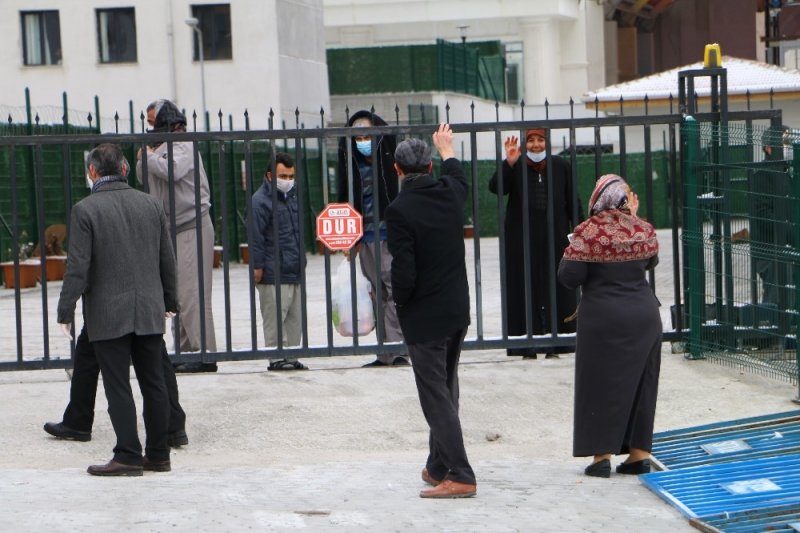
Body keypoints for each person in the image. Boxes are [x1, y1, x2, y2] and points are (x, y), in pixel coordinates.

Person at [57, 143, 177, 476]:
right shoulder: (151, 205)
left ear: (92, 172)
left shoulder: (86, 210)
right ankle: (158, 454)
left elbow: (78, 266)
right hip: (149, 309)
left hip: (108, 313)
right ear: (125, 169)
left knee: (117, 384)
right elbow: (166, 258)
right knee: (154, 383)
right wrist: (170, 300)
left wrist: (66, 309)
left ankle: (127, 453)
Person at [385, 124, 477, 498]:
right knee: (447, 386)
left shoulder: (399, 210)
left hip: (425, 316)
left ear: (397, 170)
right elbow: (458, 176)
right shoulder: (450, 194)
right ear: (430, 167)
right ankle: (439, 464)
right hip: (456, 310)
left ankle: (461, 472)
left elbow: (403, 272)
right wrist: (448, 149)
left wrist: (401, 304)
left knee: (434, 394)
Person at [557, 174, 661, 478]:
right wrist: (634, 218)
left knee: (600, 385)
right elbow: (650, 262)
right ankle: (638, 455)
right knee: (643, 384)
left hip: (603, 319)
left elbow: (569, 277)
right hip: (644, 317)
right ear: (624, 199)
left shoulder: (587, 231)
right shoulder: (642, 228)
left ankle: (601, 456)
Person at [137, 99, 217, 373]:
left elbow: (171, 171)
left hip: (192, 225)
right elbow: (142, 176)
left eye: (152, 122)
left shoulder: (185, 145)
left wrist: (148, 156)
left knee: (192, 293)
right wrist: (146, 157)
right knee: (175, 295)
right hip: (169, 230)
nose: (149, 127)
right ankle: (184, 352)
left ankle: (204, 353)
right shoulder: (158, 149)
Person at [489, 128, 582, 359]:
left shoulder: (560, 166)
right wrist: (508, 163)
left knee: (557, 286)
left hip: (556, 239)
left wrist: (578, 232)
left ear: (547, 142)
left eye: (540, 140)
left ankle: (557, 342)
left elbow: (572, 200)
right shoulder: (517, 165)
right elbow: (496, 188)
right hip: (522, 241)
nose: (536, 145)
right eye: (531, 141)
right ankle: (526, 344)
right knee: (525, 288)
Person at [337, 110, 409, 367]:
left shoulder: (391, 162)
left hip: (389, 235)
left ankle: (398, 349)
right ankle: (384, 352)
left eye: (368, 134)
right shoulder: (351, 163)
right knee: (377, 293)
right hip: (365, 238)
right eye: (357, 137)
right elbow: (345, 198)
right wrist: (348, 239)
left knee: (393, 290)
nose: (363, 140)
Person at [43, 324, 189, 448]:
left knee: (90, 345)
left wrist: (65, 308)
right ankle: (172, 424)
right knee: (154, 351)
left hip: (108, 301)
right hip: (145, 298)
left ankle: (78, 421)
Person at [249, 152, 308, 370]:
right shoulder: (259, 201)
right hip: (273, 270)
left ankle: (291, 356)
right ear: (270, 176)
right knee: (274, 317)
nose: (288, 180)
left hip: (294, 267)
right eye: (283, 175)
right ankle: (276, 357)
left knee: (295, 317)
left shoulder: (293, 197)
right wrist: (257, 266)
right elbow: (255, 237)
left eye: (291, 176)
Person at [749, 125, 795, 307]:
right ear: (769, 147)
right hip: (771, 251)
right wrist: (791, 232)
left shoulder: (788, 173)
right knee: (779, 298)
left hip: (787, 246)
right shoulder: (762, 175)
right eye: (785, 143)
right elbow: (763, 214)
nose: (789, 147)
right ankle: (770, 329)